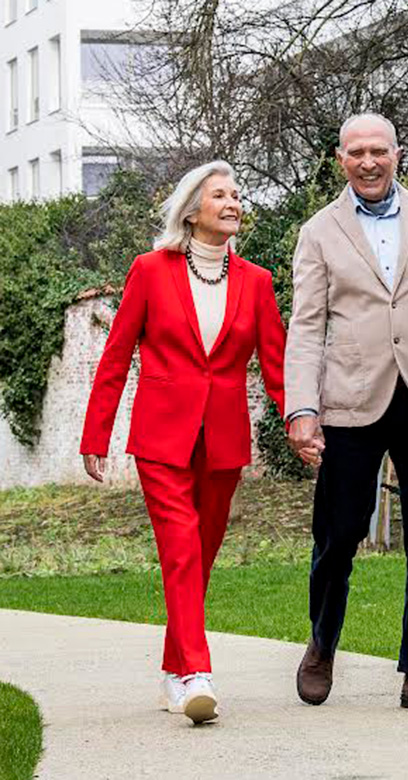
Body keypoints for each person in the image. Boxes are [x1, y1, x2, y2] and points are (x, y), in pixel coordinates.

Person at [285, 113, 408, 712]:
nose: (368, 162)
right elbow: (306, 327)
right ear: (340, 159)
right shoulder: (319, 231)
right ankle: (322, 645)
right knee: (338, 535)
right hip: (350, 400)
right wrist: (302, 407)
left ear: (398, 153)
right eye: (356, 153)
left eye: (379, 151)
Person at [80, 161, 288, 724]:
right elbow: (118, 353)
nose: (233, 202)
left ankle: (175, 670)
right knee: (180, 546)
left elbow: (276, 364)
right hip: (161, 436)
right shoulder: (150, 271)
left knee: (202, 555)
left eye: (237, 194)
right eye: (220, 194)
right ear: (192, 209)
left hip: (223, 439)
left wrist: (299, 421)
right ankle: (198, 673)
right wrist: (96, 432)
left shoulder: (257, 281)